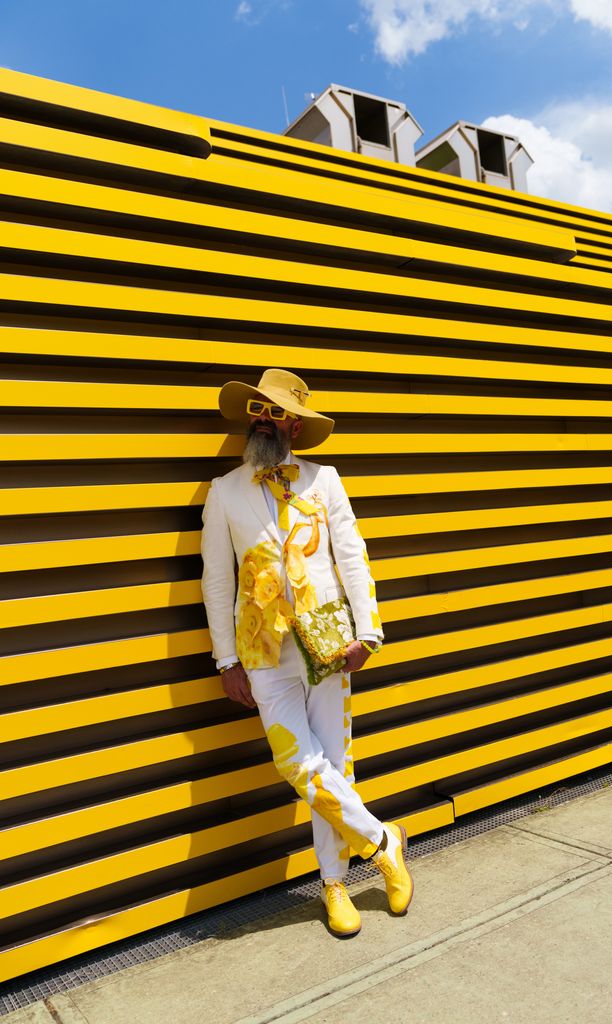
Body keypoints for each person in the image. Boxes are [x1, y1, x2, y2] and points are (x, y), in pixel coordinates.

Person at [201, 368, 414, 937]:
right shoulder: (224, 493)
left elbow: (352, 556)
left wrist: (369, 634)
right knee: (297, 762)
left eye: (276, 412)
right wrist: (225, 661)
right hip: (263, 650)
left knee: (336, 763)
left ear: (295, 423)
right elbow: (217, 582)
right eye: (257, 411)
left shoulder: (325, 481)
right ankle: (383, 840)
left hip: (329, 645)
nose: (265, 420)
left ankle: (334, 883)